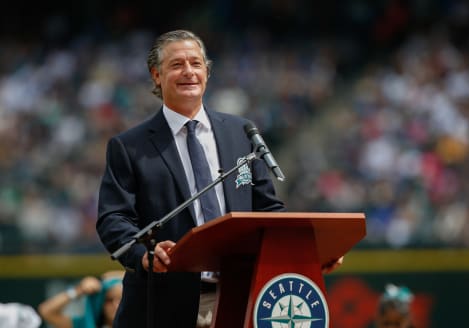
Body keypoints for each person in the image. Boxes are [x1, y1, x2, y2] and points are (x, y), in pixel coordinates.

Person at [96, 29, 342, 328]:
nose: (188, 71)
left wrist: (308, 253)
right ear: (156, 75)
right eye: (176, 64)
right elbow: (114, 217)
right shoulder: (129, 146)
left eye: (196, 63)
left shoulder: (241, 133)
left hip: (238, 298)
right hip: (162, 303)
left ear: (207, 73)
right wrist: (142, 255)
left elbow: (267, 212)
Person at [37, 271, 124, 328]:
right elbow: (46, 311)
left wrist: (117, 275)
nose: (116, 305)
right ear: (100, 303)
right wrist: (79, 290)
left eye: (122, 299)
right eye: (109, 300)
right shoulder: (86, 324)